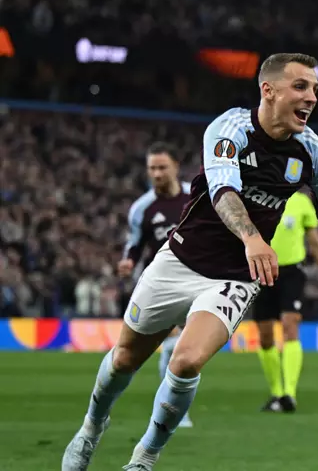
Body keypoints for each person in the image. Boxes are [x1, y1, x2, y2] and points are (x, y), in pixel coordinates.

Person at [62, 53, 318, 471]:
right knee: (124, 359)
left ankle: (144, 457)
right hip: (180, 259)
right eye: (300, 86)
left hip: (235, 277)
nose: (311, 97)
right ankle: (91, 428)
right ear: (268, 91)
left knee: (186, 361)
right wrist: (252, 238)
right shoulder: (230, 128)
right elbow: (223, 190)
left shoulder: (310, 149)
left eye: (314, 89)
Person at [118, 141, 194, 428]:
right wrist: (128, 261)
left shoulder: (197, 196)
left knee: (184, 350)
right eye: (152, 168)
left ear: (176, 166)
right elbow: (135, 243)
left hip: (197, 280)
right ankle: (171, 408)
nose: (157, 174)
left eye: (162, 167)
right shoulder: (142, 208)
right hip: (161, 286)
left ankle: (173, 409)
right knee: (146, 352)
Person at [255, 187, 318, 413]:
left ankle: (289, 394)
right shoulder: (259, 198)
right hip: (261, 271)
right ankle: (277, 393)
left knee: (290, 326)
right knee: (265, 336)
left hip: (291, 273)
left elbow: (315, 240)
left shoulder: (301, 202)